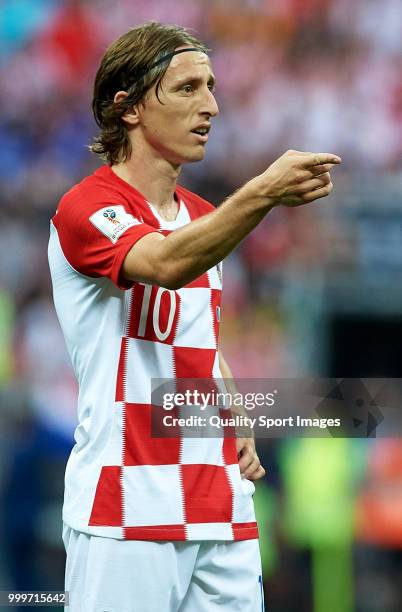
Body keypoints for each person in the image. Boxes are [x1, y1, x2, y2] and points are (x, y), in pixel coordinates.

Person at [48, 21, 341, 612]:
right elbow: (163, 263)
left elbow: (199, 339)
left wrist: (238, 412)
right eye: (186, 88)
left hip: (221, 506)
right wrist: (261, 192)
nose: (210, 105)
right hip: (126, 505)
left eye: (210, 87)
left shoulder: (205, 217)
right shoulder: (87, 208)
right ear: (126, 107)